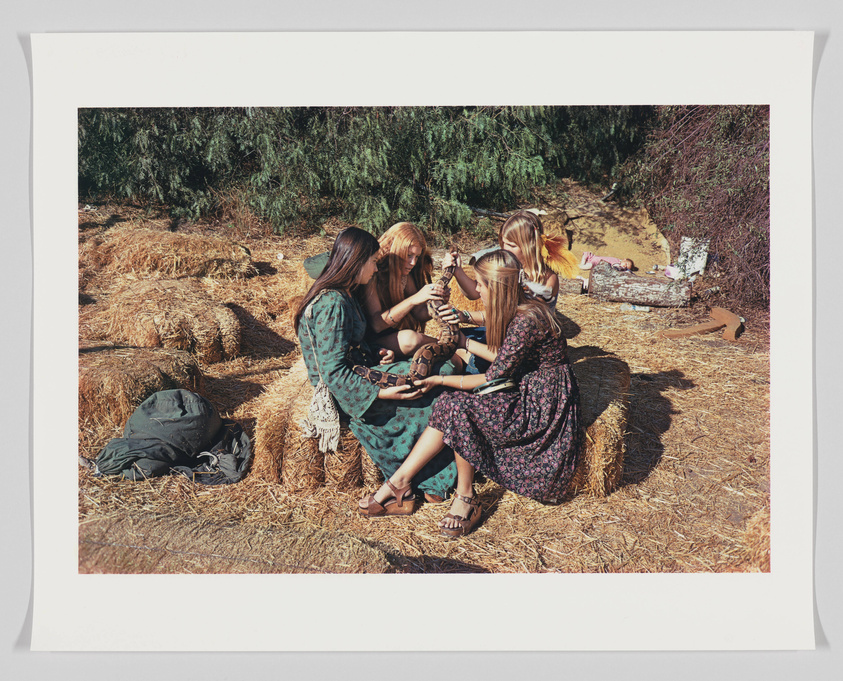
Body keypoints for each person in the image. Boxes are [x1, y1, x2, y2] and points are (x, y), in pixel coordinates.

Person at [358, 250, 582, 538]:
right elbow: (502, 348)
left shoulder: (528, 321)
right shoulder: (523, 305)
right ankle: (400, 482)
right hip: (527, 385)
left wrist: (439, 377)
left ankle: (464, 497)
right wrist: (461, 329)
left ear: (496, 288)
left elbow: (493, 376)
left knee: (459, 406)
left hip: (541, 405)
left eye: (480, 284)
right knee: (452, 404)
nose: (475, 289)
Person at [294, 227, 458, 502]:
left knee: (442, 373)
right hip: (349, 391)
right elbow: (332, 372)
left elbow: (346, 346)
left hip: (361, 370)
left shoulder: (345, 293)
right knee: (434, 399)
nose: (375, 267)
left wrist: (376, 352)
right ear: (356, 262)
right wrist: (382, 393)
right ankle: (428, 480)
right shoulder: (332, 303)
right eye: (372, 261)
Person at [444, 210, 576, 373]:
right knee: (450, 339)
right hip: (504, 332)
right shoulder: (508, 268)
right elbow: (474, 293)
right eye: (503, 243)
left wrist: (466, 325)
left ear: (530, 245)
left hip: (521, 346)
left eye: (512, 245)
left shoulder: (546, 280)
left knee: (469, 355)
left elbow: (513, 320)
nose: (505, 249)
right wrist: (458, 272)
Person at [361, 222, 448, 359]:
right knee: (411, 339)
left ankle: (448, 347)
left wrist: (437, 300)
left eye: (417, 257)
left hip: (392, 336)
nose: (413, 262)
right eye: (409, 255)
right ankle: (448, 347)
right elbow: (377, 325)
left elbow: (419, 313)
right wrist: (413, 299)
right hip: (369, 342)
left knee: (412, 339)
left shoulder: (403, 275)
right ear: (395, 249)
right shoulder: (372, 274)